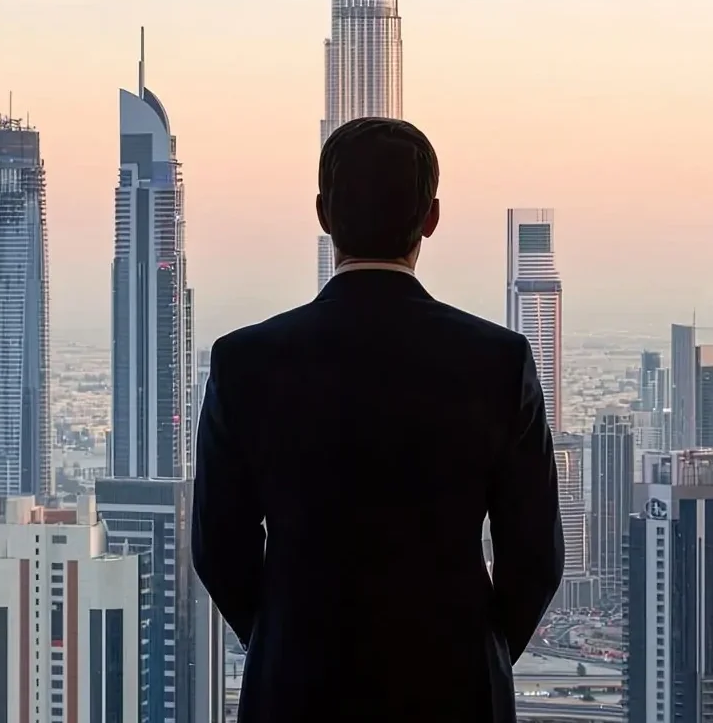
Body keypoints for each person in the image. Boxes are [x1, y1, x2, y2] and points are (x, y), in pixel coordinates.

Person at [193, 117, 564, 722]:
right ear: (431, 218)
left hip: (295, 694)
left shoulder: (245, 362)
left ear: (323, 213)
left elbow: (217, 548)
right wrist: (476, 650)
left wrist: (287, 640)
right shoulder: (497, 362)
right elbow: (536, 558)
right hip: (456, 693)